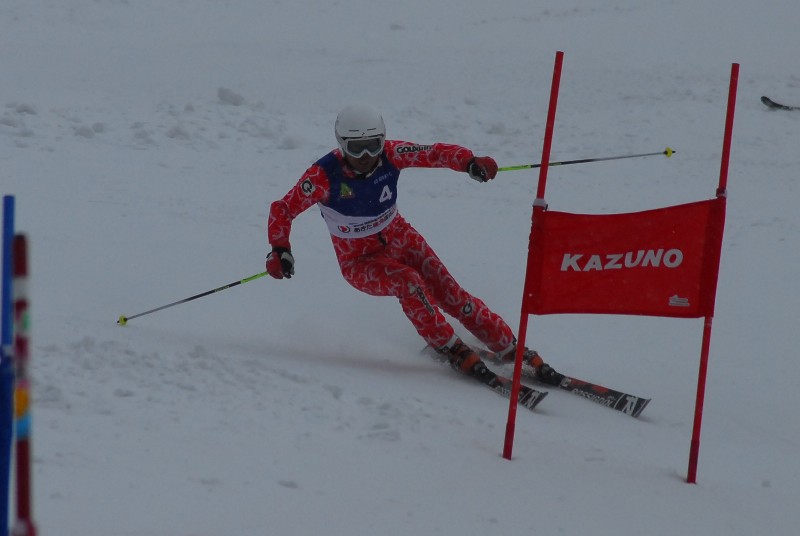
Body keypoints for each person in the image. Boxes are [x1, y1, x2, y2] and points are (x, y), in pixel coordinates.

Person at [266, 104, 562, 385]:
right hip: (359, 261)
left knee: (452, 294)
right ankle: (448, 346)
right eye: (356, 148)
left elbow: (432, 152)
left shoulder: (391, 154)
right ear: (342, 145)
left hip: (401, 238)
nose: (366, 155)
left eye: (373, 145)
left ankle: (508, 347)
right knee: (408, 282)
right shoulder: (322, 176)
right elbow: (283, 208)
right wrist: (280, 249)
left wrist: (469, 162)